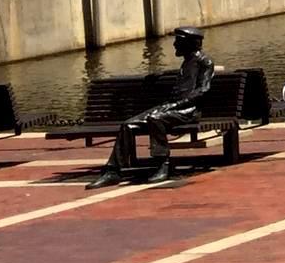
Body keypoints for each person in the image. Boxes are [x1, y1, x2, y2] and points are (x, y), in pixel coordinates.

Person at [88, 27, 215, 188]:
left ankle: (163, 165)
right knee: (127, 125)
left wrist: (174, 105)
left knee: (155, 119)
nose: (175, 44)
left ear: (190, 43)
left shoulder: (205, 62)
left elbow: (203, 90)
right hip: (171, 108)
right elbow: (185, 78)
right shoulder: (187, 61)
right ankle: (113, 171)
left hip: (188, 111)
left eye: (178, 41)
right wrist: (161, 76)